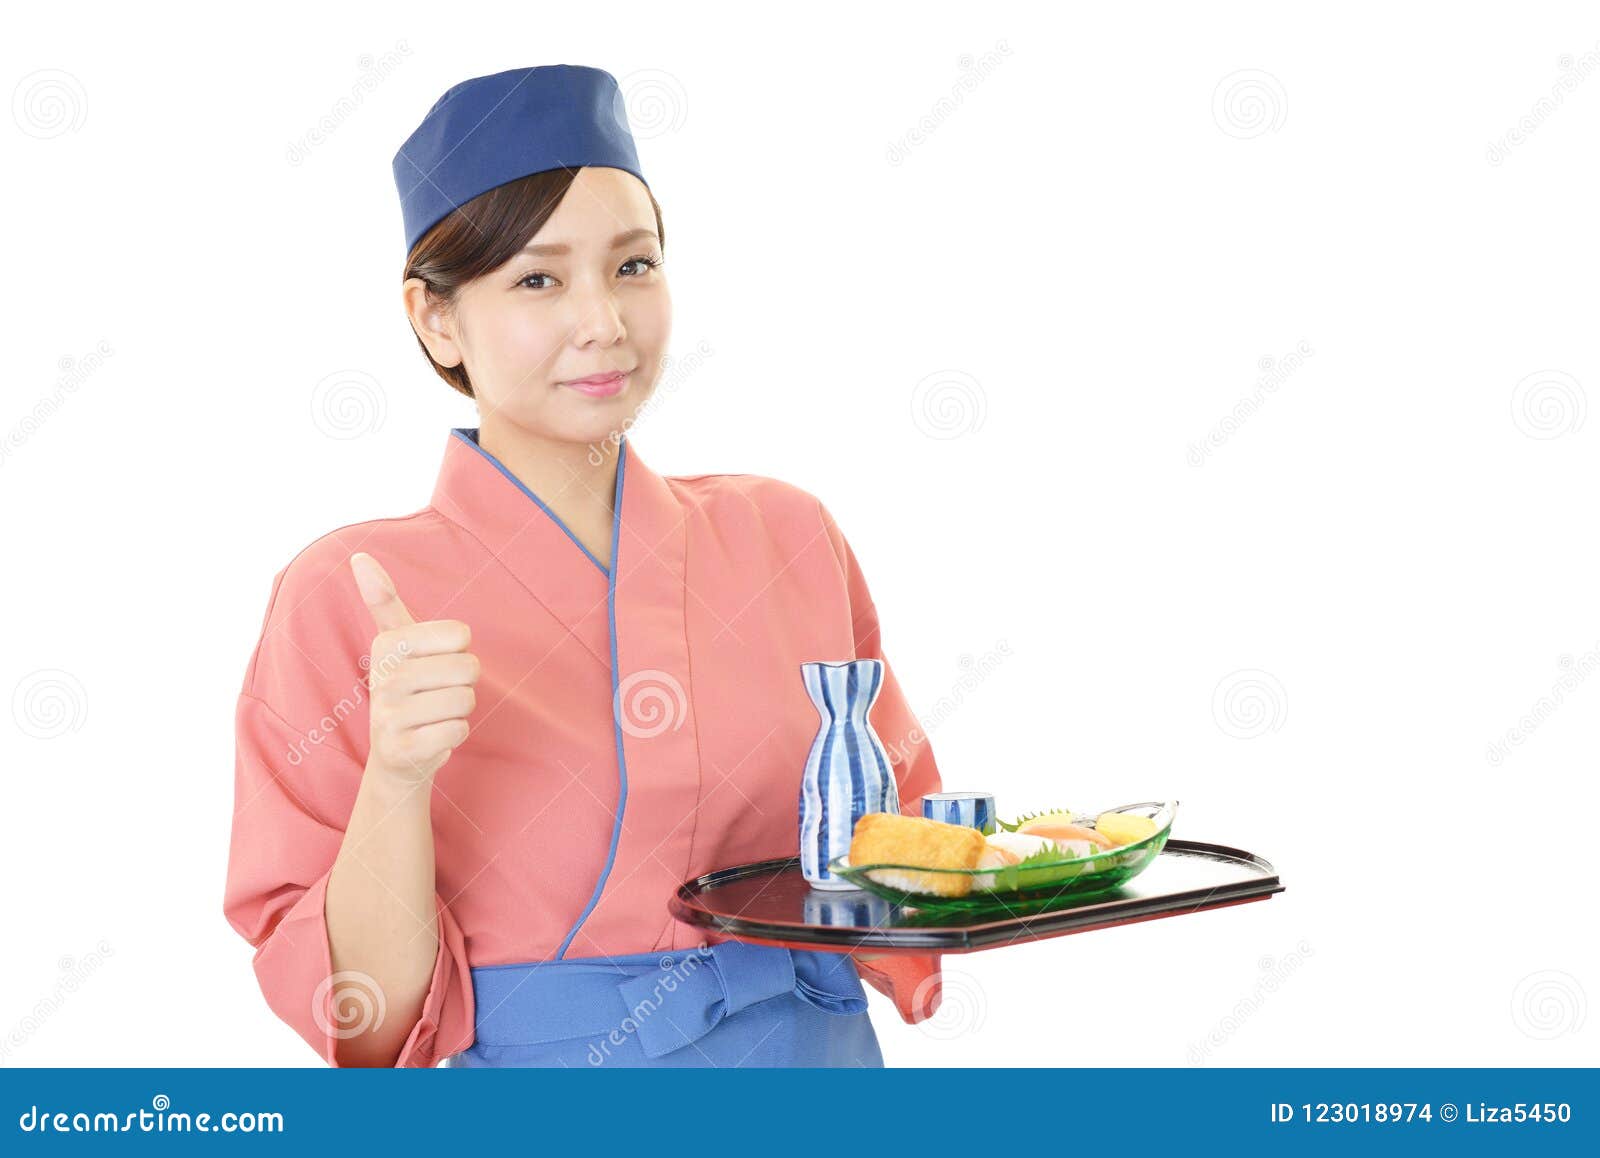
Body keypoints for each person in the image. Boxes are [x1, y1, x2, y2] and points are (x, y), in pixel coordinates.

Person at [222, 64, 944, 1068]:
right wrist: (395, 776)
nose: (603, 320)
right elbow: (371, 1023)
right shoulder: (347, 596)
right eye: (537, 279)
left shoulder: (785, 536)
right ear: (435, 319)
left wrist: (1051, 868)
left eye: (633, 266)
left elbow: (908, 850)